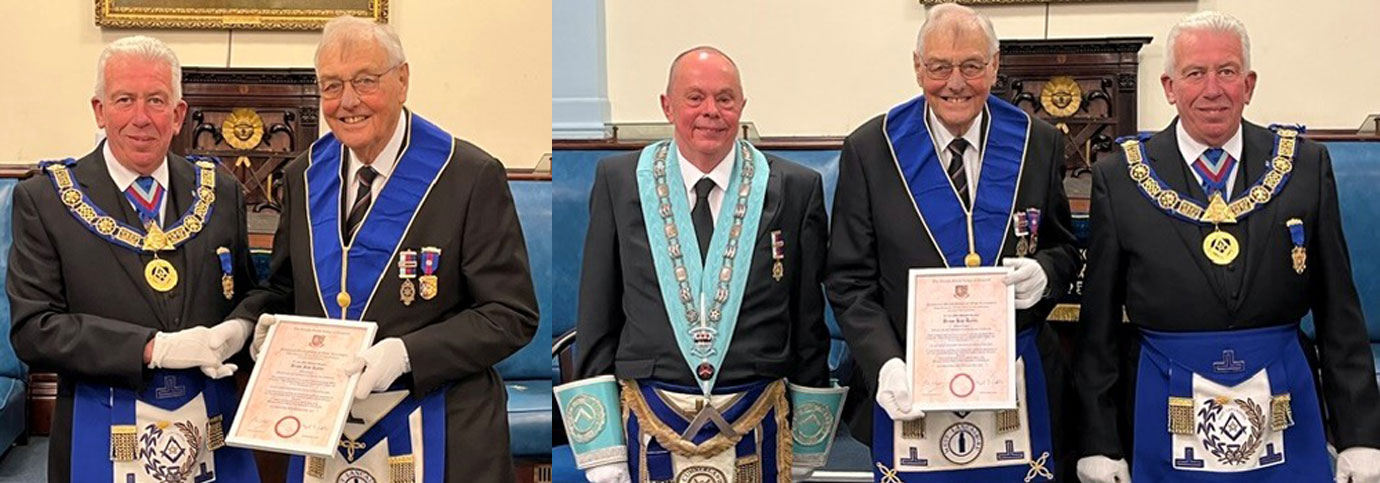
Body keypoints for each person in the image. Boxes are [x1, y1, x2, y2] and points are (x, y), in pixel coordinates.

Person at [226, 16, 539, 482]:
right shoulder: (303, 175)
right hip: (322, 436)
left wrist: (404, 355)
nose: (347, 101)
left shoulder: (469, 175)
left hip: (440, 427)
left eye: (365, 81)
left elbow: (509, 315)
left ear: (402, 80)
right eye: (332, 86)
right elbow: (285, 288)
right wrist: (248, 325)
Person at [1074, 11, 1380, 483]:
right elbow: (1099, 329)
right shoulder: (1119, 177)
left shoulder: (1304, 164)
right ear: (1170, 87)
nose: (1212, 89)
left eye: (1227, 72)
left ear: (1249, 84)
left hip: (1285, 399)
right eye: (1195, 73)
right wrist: (1099, 444)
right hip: (1162, 401)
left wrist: (1361, 437)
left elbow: (1339, 310)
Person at [561, 46, 842, 483]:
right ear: (667, 106)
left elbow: (808, 321)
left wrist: (807, 439)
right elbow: (597, 310)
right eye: (695, 98)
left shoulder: (795, 187)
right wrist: (602, 449)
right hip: (650, 418)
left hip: (757, 418)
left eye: (725, 99)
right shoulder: (619, 180)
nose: (711, 111)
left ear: (742, 106)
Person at [825, 3, 1080, 481]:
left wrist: (1046, 271)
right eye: (940, 67)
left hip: (1018, 386)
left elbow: (1064, 249)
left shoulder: (1037, 142)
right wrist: (884, 363)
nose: (955, 83)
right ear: (918, 67)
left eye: (971, 66)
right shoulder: (872, 148)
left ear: (996, 65)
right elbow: (848, 280)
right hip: (908, 384)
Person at [8, 35, 259, 482]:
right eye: (124, 100)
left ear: (178, 114)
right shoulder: (43, 198)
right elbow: (34, 330)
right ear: (100, 111)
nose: (141, 118)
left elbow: (247, 294)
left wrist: (241, 326)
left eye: (156, 100)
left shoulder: (220, 192)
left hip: (211, 428)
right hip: (102, 426)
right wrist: (152, 348)